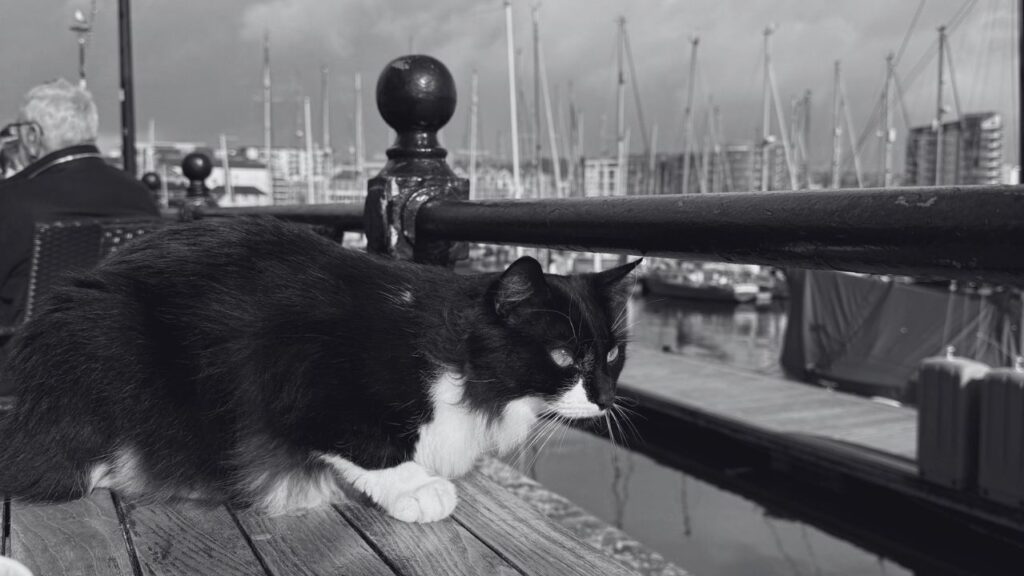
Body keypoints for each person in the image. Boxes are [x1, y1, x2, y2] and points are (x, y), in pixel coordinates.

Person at [0, 79, 158, 374]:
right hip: (117, 368)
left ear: (33, 136)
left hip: (25, 372)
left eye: (19, 132)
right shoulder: (138, 195)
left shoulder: (10, 200)